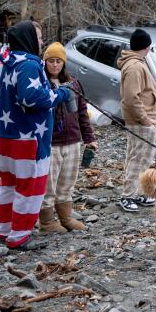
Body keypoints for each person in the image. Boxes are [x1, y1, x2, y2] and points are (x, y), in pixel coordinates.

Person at [0, 21, 73, 250]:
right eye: (37, 37)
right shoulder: (28, 65)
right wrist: (59, 95)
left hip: (3, 135)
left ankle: (5, 229)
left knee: (7, 183)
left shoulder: (3, 63)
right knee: (29, 186)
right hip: (28, 138)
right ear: (28, 39)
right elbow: (31, 98)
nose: (40, 42)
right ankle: (20, 234)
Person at [39, 41, 98, 233]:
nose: (55, 65)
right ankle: (47, 222)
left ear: (64, 63)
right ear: (45, 62)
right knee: (49, 184)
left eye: (59, 61)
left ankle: (65, 217)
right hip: (51, 142)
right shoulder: (41, 83)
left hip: (73, 140)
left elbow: (83, 113)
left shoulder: (73, 83)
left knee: (67, 182)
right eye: (51, 61)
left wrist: (89, 138)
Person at [118, 28, 156, 213]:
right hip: (142, 120)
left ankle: (139, 192)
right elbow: (131, 97)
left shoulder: (135, 63)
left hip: (143, 119)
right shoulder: (135, 66)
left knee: (142, 157)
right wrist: (144, 119)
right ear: (147, 47)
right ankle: (128, 196)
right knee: (139, 158)